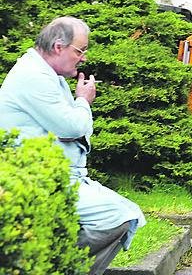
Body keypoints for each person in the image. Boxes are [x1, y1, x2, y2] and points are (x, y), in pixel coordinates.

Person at [0, 16, 146, 275]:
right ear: (58, 47)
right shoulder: (32, 75)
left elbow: (74, 130)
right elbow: (73, 127)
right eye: (80, 51)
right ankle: (61, 266)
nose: (84, 58)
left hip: (64, 177)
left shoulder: (48, 74)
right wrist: (83, 101)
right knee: (117, 217)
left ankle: (60, 264)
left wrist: (77, 113)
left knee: (127, 213)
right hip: (43, 179)